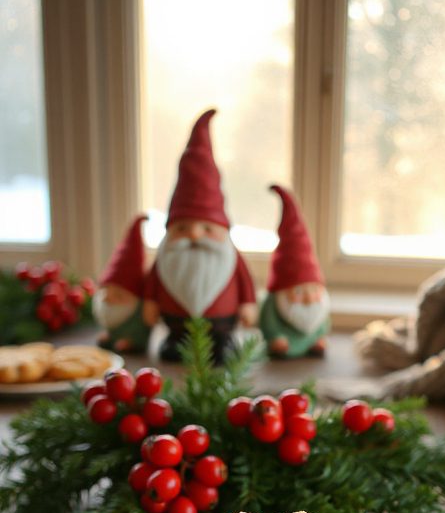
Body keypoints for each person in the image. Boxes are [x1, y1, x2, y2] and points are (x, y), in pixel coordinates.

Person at [143, 109, 257, 363]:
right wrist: (150, 304)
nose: (194, 235)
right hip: (176, 323)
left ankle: (222, 345)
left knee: (222, 350)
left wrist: (247, 305)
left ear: (223, 229)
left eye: (207, 229)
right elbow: (152, 282)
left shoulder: (231, 256)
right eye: (182, 228)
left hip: (221, 324)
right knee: (174, 349)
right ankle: (175, 343)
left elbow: (245, 282)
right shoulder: (166, 256)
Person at [260, 184, 330, 358]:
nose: (307, 299)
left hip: (311, 342)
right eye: (298, 291)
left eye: (313, 290)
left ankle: (313, 342)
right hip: (284, 343)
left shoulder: (319, 308)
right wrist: (275, 336)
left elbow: (324, 322)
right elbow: (268, 322)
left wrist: (320, 335)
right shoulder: (274, 303)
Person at [92, 215, 153, 353]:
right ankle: (112, 337)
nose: (109, 299)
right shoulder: (107, 312)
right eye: (106, 292)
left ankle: (130, 342)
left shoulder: (138, 310)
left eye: (118, 295)